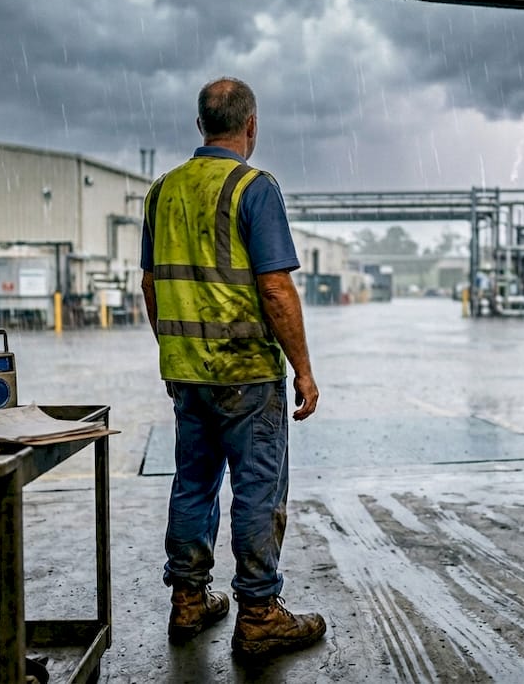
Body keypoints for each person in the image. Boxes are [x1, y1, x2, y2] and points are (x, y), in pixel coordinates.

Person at [139, 77, 326, 658]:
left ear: (200, 126)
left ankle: (189, 602)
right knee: (256, 490)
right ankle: (260, 614)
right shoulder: (255, 187)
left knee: (193, 482)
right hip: (246, 371)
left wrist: (173, 352)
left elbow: (150, 284)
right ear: (251, 126)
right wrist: (303, 368)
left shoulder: (162, 191)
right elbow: (274, 287)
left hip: (187, 374)